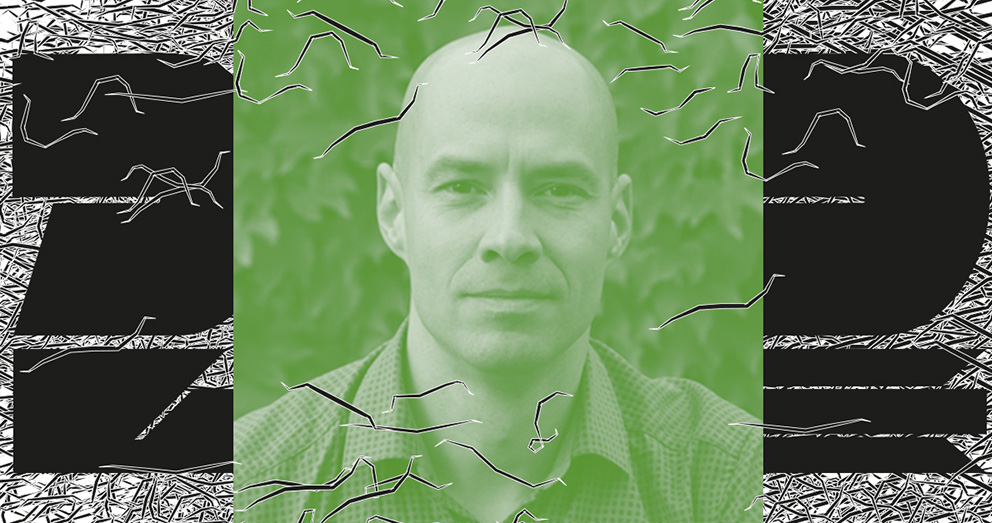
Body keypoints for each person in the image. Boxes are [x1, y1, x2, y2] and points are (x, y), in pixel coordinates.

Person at [235, 28, 762, 523]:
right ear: (394, 213)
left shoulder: (733, 481)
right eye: (462, 186)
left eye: (558, 189)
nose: (510, 238)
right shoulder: (249, 488)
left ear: (617, 221)